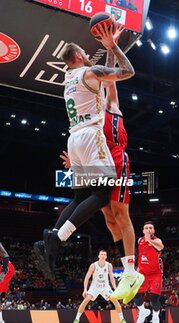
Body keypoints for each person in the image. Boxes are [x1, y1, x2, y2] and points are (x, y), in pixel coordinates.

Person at [35, 25, 144, 302]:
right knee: (104, 205)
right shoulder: (88, 75)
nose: (87, 53)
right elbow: (118, 73)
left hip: (89, 145)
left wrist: (110, 47)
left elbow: (109, 81)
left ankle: (56, 238)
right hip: (92, 145)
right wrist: (111, 47)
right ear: (80, 58)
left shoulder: (80, 85)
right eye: (85, 52)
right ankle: (57, 238)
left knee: (103, 205)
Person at [73, 250, 127, 323]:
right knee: (86, 300)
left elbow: (111, 277)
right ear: (98, 256)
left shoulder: (109, 265)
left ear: (106, 257)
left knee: (115, 301)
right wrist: (85, 289)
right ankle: (76, 319)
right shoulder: (93, 265)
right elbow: (87, 277)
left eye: (104, 255)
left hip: (105, 287)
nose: (103, 256)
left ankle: (122, 319)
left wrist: (115, 288)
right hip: (95, 287)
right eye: (101, 254)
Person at [133, 222, 164, 323]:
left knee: (154, 298)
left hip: (155, 273)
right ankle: (142, 311)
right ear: (143, 231)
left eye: (151, 228)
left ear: (153, 230)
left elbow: (160, 247)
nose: (149, 229)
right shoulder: (139, 240)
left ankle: (155, 316)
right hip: (142, 273)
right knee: (135, 294)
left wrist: (149, 240)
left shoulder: (156, 240)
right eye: (146, 228)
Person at [0, 242, 15, 323]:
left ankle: (1, 321)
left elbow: (6, 256)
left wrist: (3, 273)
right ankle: (1, 321)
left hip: (6, 269)